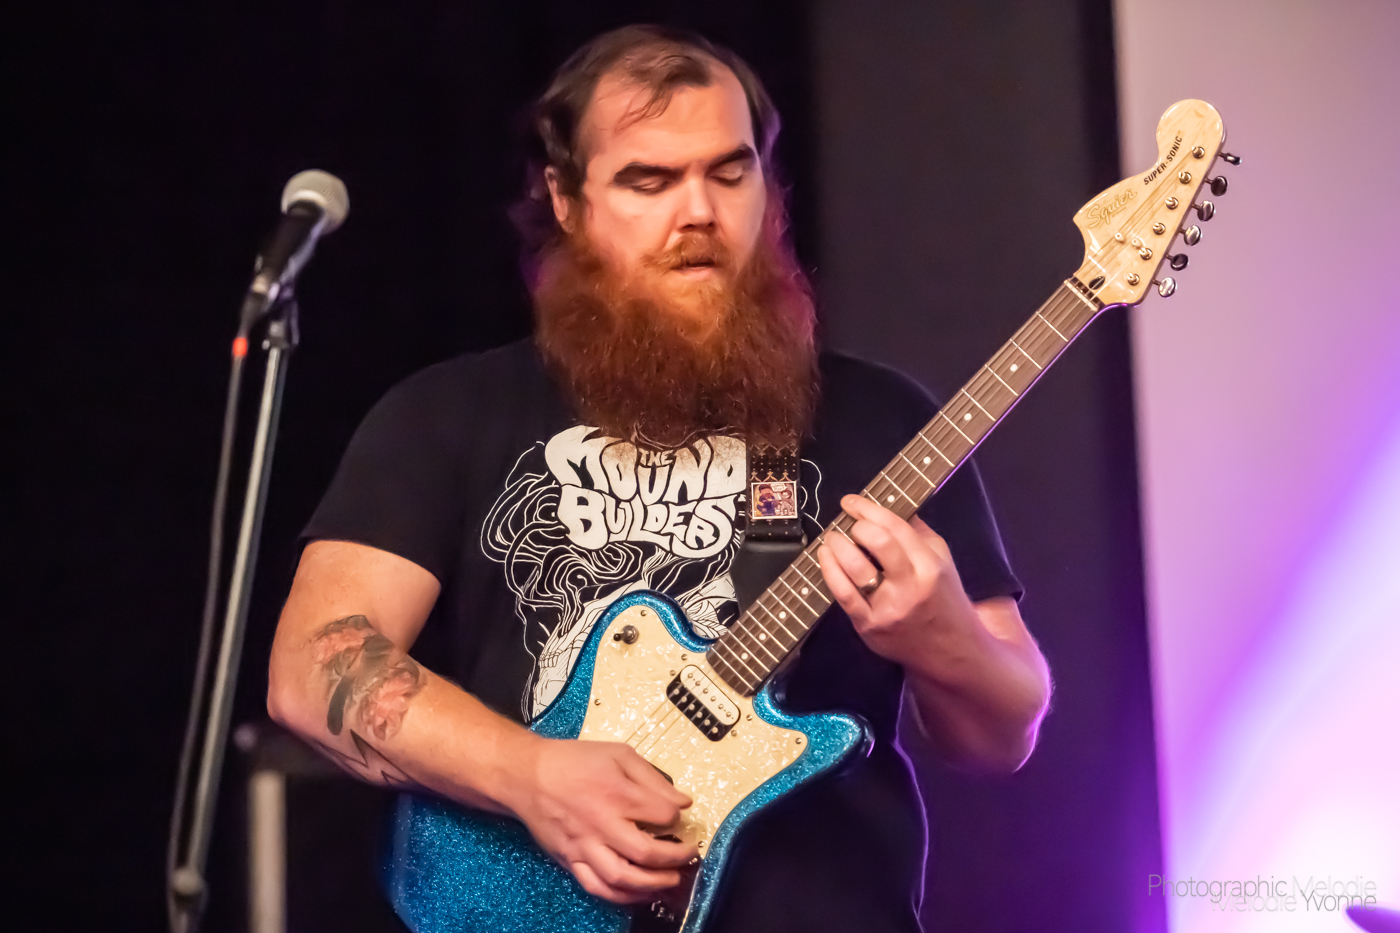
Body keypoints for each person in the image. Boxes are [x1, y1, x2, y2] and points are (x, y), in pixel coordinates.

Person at [267, 24, 1051, 933]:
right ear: (566, 199)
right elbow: (309, 665)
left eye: (730, 172)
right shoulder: (447, 413)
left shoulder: (881, 419)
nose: (701, 213)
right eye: (650, 180)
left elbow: (1003, 735)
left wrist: (942, 632)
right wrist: (531, 775)